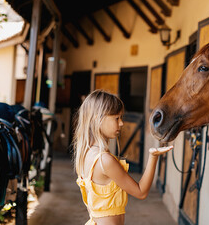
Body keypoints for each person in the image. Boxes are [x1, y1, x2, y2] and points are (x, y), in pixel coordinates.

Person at [73, 90, 173, 225]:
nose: (121, 123)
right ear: (98, 119)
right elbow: (141, 192)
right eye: (116, 118)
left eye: (121, 118)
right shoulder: (104, 160)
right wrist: (153, 156)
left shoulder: (86, 153)